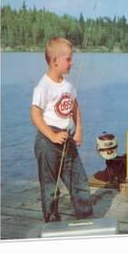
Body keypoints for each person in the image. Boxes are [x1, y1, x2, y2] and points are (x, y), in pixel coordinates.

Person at [31, 37, 93, 222]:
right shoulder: (43, 86)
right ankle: (52, 220)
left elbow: (75, 106)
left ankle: (85, 217)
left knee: (79, 182)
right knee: (50, 187)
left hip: (67, 139)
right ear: (55, 60)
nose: (72, 62)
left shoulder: (68, 85)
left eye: (71, 58)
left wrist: (79, 129)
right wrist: (51, 135)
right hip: (47, 141)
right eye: (68, 59)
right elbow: (35, 114)